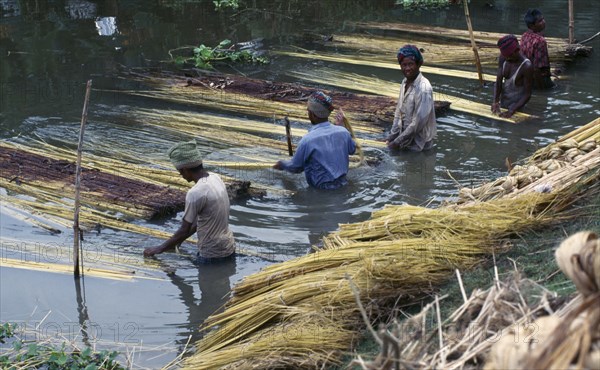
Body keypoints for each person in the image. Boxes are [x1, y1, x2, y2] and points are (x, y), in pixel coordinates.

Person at [143, 140, 235, 261]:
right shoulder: (215, 178)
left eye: (180, 172)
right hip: (229, 246)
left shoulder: (195, 192)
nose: (181, 175)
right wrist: (175, 243)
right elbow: (200, 222)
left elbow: (184, 229)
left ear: (186, 169)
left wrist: (158, 249)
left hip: (211, 253)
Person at [273, 91, 356, 190]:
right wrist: (340, 127)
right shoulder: (343, 132)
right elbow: (352, 150)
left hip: (321, 191)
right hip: (343, 185)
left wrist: (281, 164)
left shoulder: (308, 140)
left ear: (313, 114)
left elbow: (296, 167)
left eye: (308, 111)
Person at [386, 44, 436, 151]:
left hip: (419, 147)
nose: (407, 68)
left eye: (410, 64)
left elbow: (417, 124)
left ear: (418, 64)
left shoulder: (424, 88)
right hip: (404, 142)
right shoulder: (404, 82)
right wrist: (390, 138)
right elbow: (398, 114)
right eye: (404, 65)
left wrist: (396, 142)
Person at [491, 35, 533, 118]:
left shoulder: (526, 66)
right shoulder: (504, 58)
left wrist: (512, 109)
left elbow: (527, 94)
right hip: (503, 103)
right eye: (505, 56)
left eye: (509, 56)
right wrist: (495, 101)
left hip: (518, 108)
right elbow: (498, 82)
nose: (507, 59)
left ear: (516, 50)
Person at [521, 9, 555, 89]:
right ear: (532, 26)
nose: (544, 22)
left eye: (543, 19)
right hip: (538, 79)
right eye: (540, 21)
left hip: (526, 76)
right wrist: (541, 88)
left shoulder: (524, 35)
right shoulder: (540, 41)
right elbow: (537, 69)